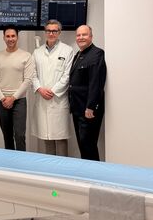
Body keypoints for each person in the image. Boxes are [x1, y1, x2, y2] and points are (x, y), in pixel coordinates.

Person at [32, 20, 74, 156]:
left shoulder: (67, 50)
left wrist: (53, 91)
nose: (51, 33)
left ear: (59, 32)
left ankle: (62, 168)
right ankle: (50, 167)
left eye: (54, 31)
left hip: (58, 100)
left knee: (60, 137)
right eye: (48, 31)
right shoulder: (37, 52)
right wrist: (40, 89)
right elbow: (32, 74)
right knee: (47, 137)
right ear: (45, 32)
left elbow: (67, 75)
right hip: (42, 98)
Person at [0, 26, 34, 151]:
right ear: (4, 38)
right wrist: (2, 98)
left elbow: (28, 80)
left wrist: (13, 98)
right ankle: (10, 161)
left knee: (19, 135)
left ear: (17, 37)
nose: (10, 39)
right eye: (8, 36)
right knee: (7, 135)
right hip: (2, 100)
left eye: (13, 36)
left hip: (19, 101)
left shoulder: (26, 56)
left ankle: (22, 161)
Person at [68, 25, 107, 161]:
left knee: (88, 145)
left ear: (91, 36)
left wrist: (90, 106)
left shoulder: (96, 54)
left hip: (88, 110)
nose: (81, 37)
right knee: (83, 145)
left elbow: (96, 82)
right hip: (77, 108)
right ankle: (86, 172)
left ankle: (94, 173)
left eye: (84, 35)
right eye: (78, 35)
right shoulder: (78, 55)